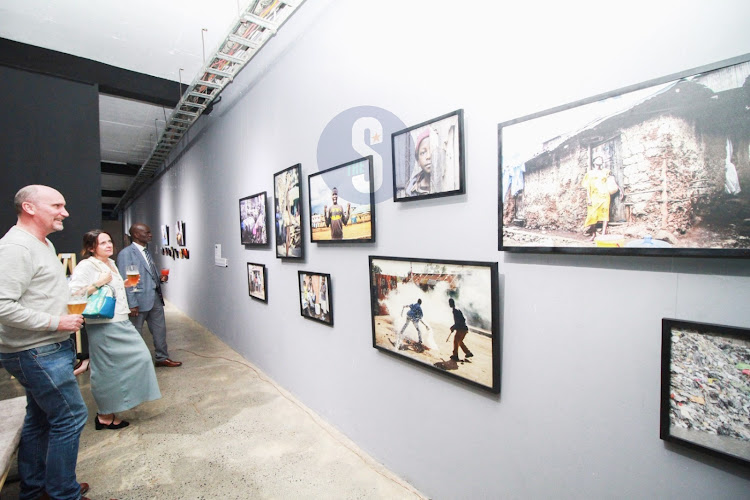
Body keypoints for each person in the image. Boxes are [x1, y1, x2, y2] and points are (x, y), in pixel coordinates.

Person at [0, 185, 90, 500]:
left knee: (39, 417)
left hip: (46, 347)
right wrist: (56, 321)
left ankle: (36, 488)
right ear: (30, 207)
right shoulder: (16, 248)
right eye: (57, 205)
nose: (64, 212)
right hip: (37, 350)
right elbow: (1, 305)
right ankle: (63, 494)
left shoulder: (43, 244)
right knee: (71, 416)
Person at [69, 230, 161, 430]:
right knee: (106, 371)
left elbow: (113, 288)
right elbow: (74, 292)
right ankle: (104, 415)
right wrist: (98, 283)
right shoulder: (87, 265)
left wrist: (126, 283)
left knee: (141, 358)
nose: (109, 245)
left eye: (109, 241)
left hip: (120, 320)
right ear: (92, 247)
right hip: (103, 324)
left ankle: (117, 403)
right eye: (102, 243)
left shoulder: (110, 263)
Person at [116, 223, 182, 367]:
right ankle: (136, 362)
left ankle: (162, 357)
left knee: (160, 330)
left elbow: (148, 273)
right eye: (147, 232)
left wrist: (160, 279)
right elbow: (126, 280)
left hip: (154, 298)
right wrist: (132, 303)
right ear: (136, 235)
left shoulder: (146, 251)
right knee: (135, 334)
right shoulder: (126, 254)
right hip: (138, 302)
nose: (150, 235)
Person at [582, 156, 623, 240]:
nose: (600, 160)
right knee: (592, 214)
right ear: (594, 162)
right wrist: (589, 198)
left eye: (601, 159)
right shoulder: (590, 173)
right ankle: (593, 235)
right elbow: (587, 187)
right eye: (598, 159)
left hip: (604, 195)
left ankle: (603, 234)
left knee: (605, 214)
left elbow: (612, 181)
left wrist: (620, 189)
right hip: (594, 196)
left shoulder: (605, 172)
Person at [406, 128, 432, 196]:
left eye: (432, 150)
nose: (428, 156)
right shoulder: (410, 189)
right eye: (423, 153)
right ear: (418, 161)